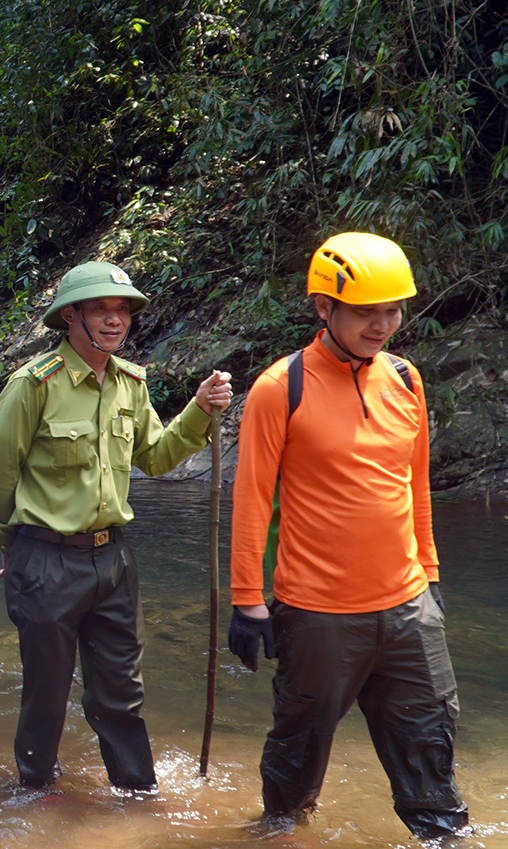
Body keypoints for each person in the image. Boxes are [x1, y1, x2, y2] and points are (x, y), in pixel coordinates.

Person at [227, 233, 469, 838]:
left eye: (393, 309)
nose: (383, 324)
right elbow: (252, 497)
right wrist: (246, 599)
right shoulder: (280, 387)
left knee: (431, 752)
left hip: (409, 608)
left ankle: (441, 834)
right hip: (317, 615)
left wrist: (431, 576)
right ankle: (281, 832)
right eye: (366, 311)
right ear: (324, 308)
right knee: (297, 758)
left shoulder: (407, 380)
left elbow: (415, 489)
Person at [0, 261, 231, 792]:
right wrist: (12, 548)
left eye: (122, 311)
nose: (115, 321)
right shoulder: (33, 385)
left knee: (121, 690)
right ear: (70, 316)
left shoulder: (130, 383)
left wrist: (199, 411)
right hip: (44, 559)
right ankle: (34, 791)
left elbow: (157, 457)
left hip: (114, 562)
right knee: (46, 691)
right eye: (101, 309)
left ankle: (136, 792)